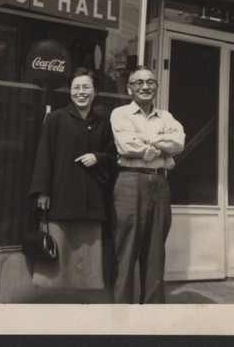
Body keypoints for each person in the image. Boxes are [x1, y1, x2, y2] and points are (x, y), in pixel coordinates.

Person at [29, 67, 117, 294]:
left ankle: (83, 295)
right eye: (76, 87)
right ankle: (53, 294)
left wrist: (97, 157)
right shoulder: (56, 118)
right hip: (61, 196)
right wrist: (42, 191)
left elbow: (113, 157)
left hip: (91, 199)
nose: (81, 92)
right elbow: (44, 156)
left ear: (95, 91)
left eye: (86, 87)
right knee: (59, 248)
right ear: (70, 91)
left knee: (87, 256)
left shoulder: (103, 124)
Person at [110, 65, 185, 303]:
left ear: (156, 86)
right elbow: (126, 146)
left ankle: (152, 314)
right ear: (129, 88)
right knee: (126, 250)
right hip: (130, 182)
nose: (145, 86)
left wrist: (146, 141)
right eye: (139, 82)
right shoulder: (120, 114)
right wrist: (159, 148)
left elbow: (178, 142)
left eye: (150, 82)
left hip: (160, 184)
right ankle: (121, 315)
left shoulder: (167, 117)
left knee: (155, 253)